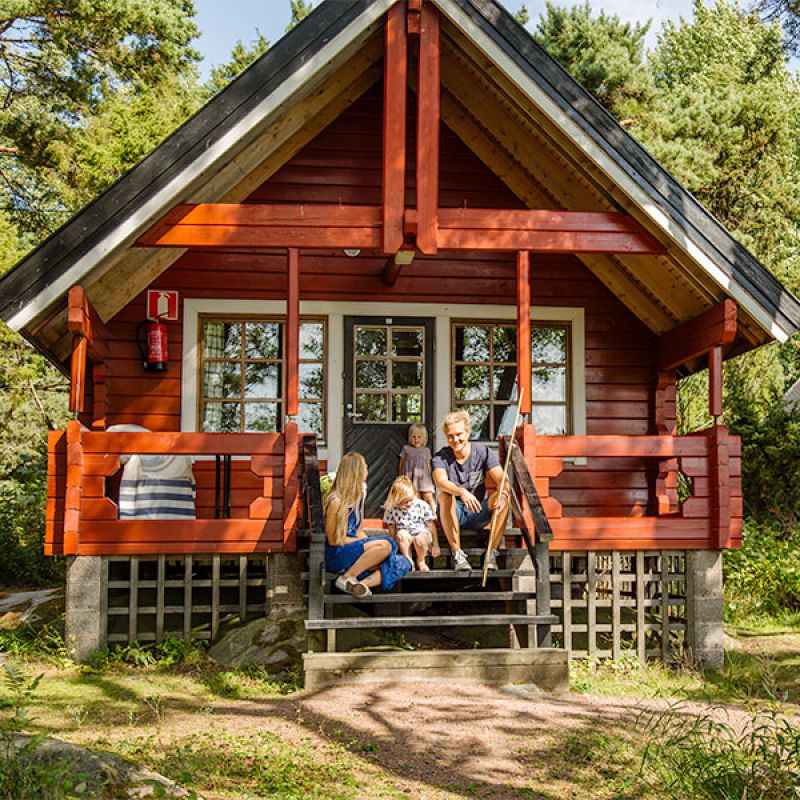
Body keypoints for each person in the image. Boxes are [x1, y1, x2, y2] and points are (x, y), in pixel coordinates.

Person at [324, 452, 412, 597]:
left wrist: (370, 547)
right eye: (365, 467)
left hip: (355, 550)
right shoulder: (335, 501)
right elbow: (333, 540)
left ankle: (360, 585)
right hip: (338, 554)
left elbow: (359, 530)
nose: (367, 470)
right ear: (357, 472)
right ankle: (346, 577)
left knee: (404, 562)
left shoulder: (359, 497)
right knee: (388, 544)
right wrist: (368, 544)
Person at [432, 410, 509, 572]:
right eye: (450, 436)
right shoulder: (440, 457)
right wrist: (461, 492)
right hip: (453, 512)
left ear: (468, 432)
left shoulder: (483, 452)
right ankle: (458, 555)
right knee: (445, 496)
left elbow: (503, 480)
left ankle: (491, 553)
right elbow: (440, 481)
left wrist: (502, 493)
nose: (455, 440)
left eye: (459, 434)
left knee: (503, 497)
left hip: (478, 510)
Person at [383, 476, 437, 572]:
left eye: (411, 500)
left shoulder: (421, 505)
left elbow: (431, 525)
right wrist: (394, 545)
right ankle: (408, 560)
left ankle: (421, 560)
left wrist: (435, 545)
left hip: (421, 533)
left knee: (420, 539)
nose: (408, 504)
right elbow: (391, 528)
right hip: (405, 534)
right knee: (401, 535)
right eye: (404, 502)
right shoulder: (391, 509)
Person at [398, 423, 437, 515]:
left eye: (419, 437)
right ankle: (417, 516)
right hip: (410, 478)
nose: (416, 440)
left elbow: (429, 466)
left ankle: (435, 515)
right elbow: (401, 464)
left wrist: (432, 479)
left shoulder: (426, 450)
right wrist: (401, 477)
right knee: (414, 497)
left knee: (428, 497)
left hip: (424, 479)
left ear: (424, 438)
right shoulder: (406, 449)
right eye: (414, 437)